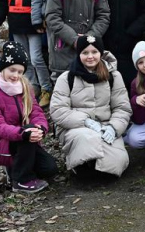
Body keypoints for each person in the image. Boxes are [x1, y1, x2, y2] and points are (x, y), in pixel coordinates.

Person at [49, 35, 131, 179]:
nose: (90, 57)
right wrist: (85, 121)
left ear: (101, 53)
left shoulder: (114, 76)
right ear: (78, 54)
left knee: (118, 162)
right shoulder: (67, 78)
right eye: (85, 53)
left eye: (94, 52)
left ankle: (98, 168)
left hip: (105, 126)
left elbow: (122, 108)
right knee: (86, 138)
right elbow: (58, 110)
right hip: (75, 127)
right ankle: (81, 167)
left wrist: (113, 127)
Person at [0, 40, 56, 193]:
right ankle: (20, 180)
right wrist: (22, 133)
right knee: (27, 131)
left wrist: (41, 128)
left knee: (50, 169)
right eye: (12, 70)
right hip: (1, 144)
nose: (16, 75)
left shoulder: (25, 89)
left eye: (20, 72)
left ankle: (20, 167)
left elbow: (36, 112)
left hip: (25, 141)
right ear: (3, 68)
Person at [6, 0, 52, 106]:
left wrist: (40, 19)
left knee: (36, 58)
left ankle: (47, 87)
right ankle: (33, 86)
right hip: (16, 24)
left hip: (32, 24)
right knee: (24, 58)